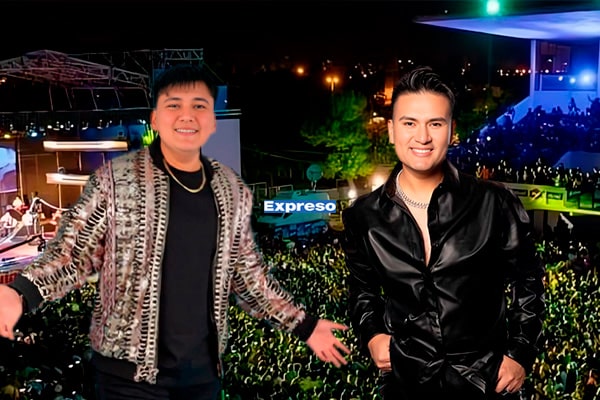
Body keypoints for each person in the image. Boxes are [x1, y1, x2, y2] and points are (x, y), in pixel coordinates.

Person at [0, 64, 350, 399]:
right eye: (174, 106)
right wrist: (22, 293)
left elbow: (247, 278)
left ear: (211, 120)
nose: (187, 116)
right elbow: (74, 254)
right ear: (155, 119)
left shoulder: (230, 190)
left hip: (201, 376)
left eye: (199, 106)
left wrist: (305, 325)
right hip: (129, 378)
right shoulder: (117, 181)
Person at [341, 66, 545, 400]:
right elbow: (362, 290)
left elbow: (529, 282)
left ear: (452, 131)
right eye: (409, 123)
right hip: (405, 383)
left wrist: (520, 353)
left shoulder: (494, 202)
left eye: (435, 124)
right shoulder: (363, 216)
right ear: (391, 131)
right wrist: (373, 335)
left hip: (485, 383)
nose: (422, 137)